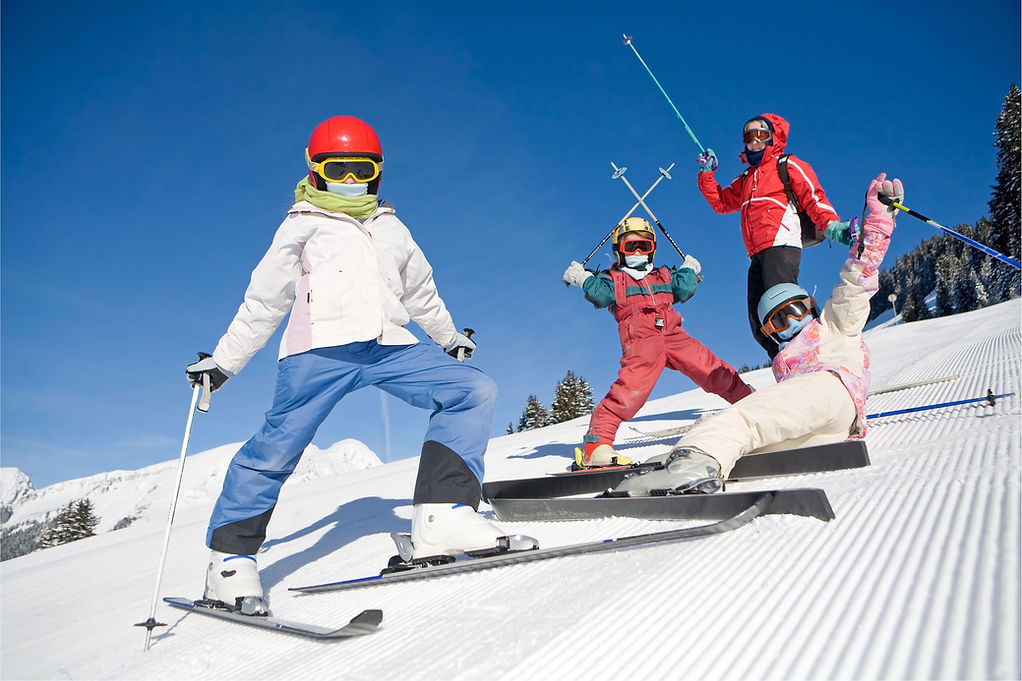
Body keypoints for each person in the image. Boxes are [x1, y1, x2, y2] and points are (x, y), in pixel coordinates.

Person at [185, 115, 521, 615]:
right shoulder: (300, 225)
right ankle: (229, 563)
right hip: (318, 350)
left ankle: (441, 517)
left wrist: (448, 338)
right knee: (276, 448)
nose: (349, 181)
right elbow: (265, 300)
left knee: (472, 390)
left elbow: (420, 290)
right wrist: (225, 363)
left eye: (359, 169)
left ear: (377, 172)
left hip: (389, 345)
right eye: (337, 168)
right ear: (316, 169)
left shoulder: (392, 228)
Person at [614, 173, 904, 496]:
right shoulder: (785, 361)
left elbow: (857, 279)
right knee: (755, 438)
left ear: (810, 307)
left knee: (748, 416)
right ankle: (686, 459)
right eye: (776, 322)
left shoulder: (834, 325)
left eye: (794, 311)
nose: (789, 323)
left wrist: (877, 225)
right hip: (827, 431)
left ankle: (694, 460)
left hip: (832, 390)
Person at [562, 217, 754, 468]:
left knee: (713, 369)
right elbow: (600, 293)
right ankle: (596, 446)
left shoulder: (662, 275)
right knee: (630, 390)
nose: (639, 252)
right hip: (642, 338)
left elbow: (683, 289)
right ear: (619, 250)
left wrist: (689, 270)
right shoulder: (614, 279)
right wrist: (582, 278)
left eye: (645, 246)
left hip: (673, 333)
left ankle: (752, 405)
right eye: (631, 247)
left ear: (653, 249)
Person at [696, 113, 854, 359]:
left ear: (772, 137)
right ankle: (784, 361)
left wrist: (832, 226)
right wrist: (707, 174)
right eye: (749, 136)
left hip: (781, 244)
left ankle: (812, 353)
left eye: (761, 134)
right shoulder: (746, 179)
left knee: (784, 310)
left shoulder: (787, 165)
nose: (755, 140)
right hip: (756, 252)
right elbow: (721, 203)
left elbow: (814, 198)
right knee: (758, 318)